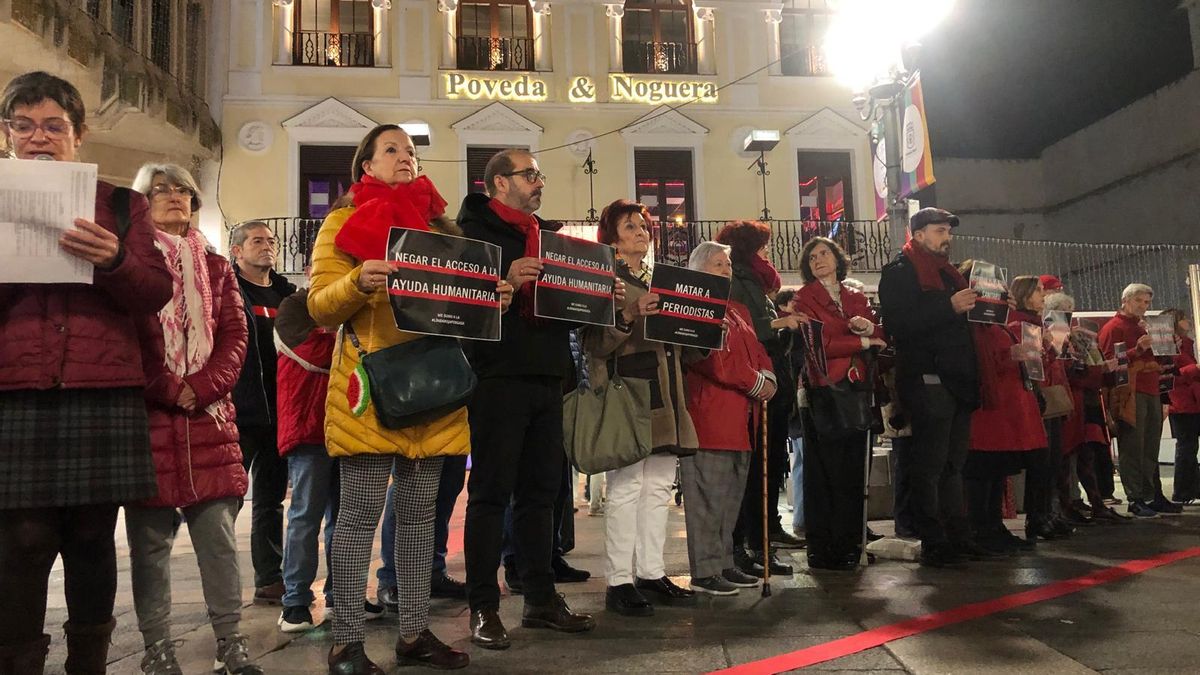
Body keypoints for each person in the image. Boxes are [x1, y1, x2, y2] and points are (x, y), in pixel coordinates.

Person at [309, 125, 502, 672]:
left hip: (436, 387)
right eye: (391, 149)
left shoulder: (441, 228)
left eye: (411, 152)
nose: (405, 158)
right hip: (372, 388)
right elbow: (322, 307)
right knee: (360, 517)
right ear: (365, 166)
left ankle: (414, 634)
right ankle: (346, 641)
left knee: (420, 518)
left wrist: (496, 299)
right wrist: (358, 284)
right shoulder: (343, 222)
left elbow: (465, 307)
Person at [0, 71, 171, 674]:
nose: (38, 138)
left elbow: (156, 291)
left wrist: (115, 260)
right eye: (24, 126)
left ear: (80, 135)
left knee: (94, 541)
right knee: (19, 543)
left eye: (53, 126)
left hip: (101, 392)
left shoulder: (124, 204)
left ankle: (88, 665)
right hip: (17, 392)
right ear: (7, 134)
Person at [457, 148, 602, 650]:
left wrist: (593, 301)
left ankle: (540, 598)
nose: (539, 182)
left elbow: (567, 306)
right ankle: (483, 606)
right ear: (499, 183)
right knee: (491, 494)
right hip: (497, 376)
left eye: (539, 174)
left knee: (543, 493)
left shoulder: (548, 237)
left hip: (547, 374)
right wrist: (503, 282)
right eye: (529, 174)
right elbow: (456, 305)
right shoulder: (471, 235)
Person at [124, 163, 261, 675]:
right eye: (161, 190)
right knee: (149, 551)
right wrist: (165, 386)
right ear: (142, 202)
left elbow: (234, 335)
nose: (175, 197)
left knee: (220, 547)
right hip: (151, 422)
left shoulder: (218, 266)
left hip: (210, 421)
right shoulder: (133, 265)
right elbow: (130, 339)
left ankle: (232, 643)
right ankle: (157, 648)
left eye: (183, 190)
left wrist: (200, 387)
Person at [582, 199, 699, 616]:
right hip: (630, 393)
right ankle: (619, 581)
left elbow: (678, 342)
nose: (640, 231)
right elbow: (594, 344)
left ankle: (651, 571)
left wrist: (696, 325)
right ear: (612, 237)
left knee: (659, 488)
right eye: (629, 226)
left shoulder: (658, 279)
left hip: (666, 394)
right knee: (628, 488)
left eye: (643, 225)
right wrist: (630, 312)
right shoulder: (605, 280)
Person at [877, 208, 980, 568]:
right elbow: (898, 324)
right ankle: (933, 537)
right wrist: (948, 306)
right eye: (939, 231)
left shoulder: (950, 275)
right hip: (926, 378)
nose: (946, 237)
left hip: (956, 380)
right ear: (918, 234)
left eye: (948, 231)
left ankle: (957, 534)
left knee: (953, 464)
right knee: (930, 464)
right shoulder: (900, 272)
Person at [678, 242, 777, 595]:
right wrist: (755, 382)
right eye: (718, 264)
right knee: (707, 497)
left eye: (728, 264)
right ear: (699, 270)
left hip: (741, 418)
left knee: (730, 498)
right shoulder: (693, 306)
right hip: (710, 414)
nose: (726, 269)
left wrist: (770, 378)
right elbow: (710, 360)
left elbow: (760, 352)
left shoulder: (738, 310)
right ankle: (704, 570)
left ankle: (723, 562)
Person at [715, 220, 806, 577]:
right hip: (757, 380)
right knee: (757, 466)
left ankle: (763, 536)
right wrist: (783, 324)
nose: (768, 252)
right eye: (763, 246)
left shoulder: (756, 279)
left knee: (768, 462)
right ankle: (755, 542)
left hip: (771, 373)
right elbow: (748, 326)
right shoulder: (742, 279)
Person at [791, 237, 885, 570]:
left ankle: (850, 542)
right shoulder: (803, 298)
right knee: (823, 471)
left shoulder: (856, 296)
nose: (818, 259)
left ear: (837, 258)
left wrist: (871, 327)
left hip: (857, 388)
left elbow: (880, 336)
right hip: (823, 389)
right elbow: (819, 342)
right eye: (812, 256)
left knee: (853, 470)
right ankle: (823, 546)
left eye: (824, 253)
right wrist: (862, 339)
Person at [275, 269, 350, 633]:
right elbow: (317, 353)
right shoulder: (294, 306)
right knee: (305, 516)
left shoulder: (351, 305)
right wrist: (347, 340)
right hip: (308, 427)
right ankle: (295, 601)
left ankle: (342, 595)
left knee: (345, 520)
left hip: (348, 427)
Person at [229, 219, 296, 604]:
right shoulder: (229, 291)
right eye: (257, 241)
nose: (267, 246)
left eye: (270, 241)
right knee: (229, 500)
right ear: (237, 251)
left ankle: (269, 579)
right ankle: (220, 581)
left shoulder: (288, 295)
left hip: (281, 411)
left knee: (271, 500)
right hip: (243, 411)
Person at [959, 265, 1044, 556]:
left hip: (1002, 411)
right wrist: (1010, 356)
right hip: (986, 411)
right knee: (981, 473)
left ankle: (993, 527)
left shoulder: (998, 324)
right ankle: (980, 529)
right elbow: (980, 362)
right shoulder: (973, 324)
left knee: (996, 473)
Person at [1044, 290, 1128, 522]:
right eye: (1063, 313)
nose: (1067, 317)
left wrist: (1102, 368)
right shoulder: (1054, 336)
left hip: (1085, 401)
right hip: (1070, 400)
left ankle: (1093, 504)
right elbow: (1070, 371)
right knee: (1066, 457)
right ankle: (1067, 506)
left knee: (1086, 454)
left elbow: (1086, 370)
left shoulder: (1077, 336)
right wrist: (1098, 369)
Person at [1099, 284, 1182, 516]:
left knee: (1150, 447)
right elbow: (1108, 364)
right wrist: (1137, 349)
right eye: (1139, 301)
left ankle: (1150, 494)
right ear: (1125, 300)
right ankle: (1135, 498)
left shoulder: (1143, 326)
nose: (1144, 307)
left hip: (1151, 389)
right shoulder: (1113, 327)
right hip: (1130, 393)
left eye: (1146, 303)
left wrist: (1169, 345)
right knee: (1133, 446)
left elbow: (1162, 359)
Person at [1007, 276, 1075, 541]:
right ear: (1024, 295)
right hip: (1035, 396)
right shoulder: (1018, 324)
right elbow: (1030, 364)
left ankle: (1048, 513)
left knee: (1053, 460)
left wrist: (1053, 346)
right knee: (1041, 461)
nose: (1043, 295)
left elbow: (1046, 361)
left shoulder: (1037, 324)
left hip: (1048, 394)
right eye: (1037, 291)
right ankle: (1037, 518)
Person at [1162, 309, 1200, 504]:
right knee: (1186, 447)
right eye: (1185, 318)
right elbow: (1173, 374)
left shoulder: (1186, 344)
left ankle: (1192, 488)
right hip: (1182, 402)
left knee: (1190, 446)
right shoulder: (1170, 345)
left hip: (1191, 401)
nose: (1189, 321)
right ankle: (1182, 492)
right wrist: (1196, 369)